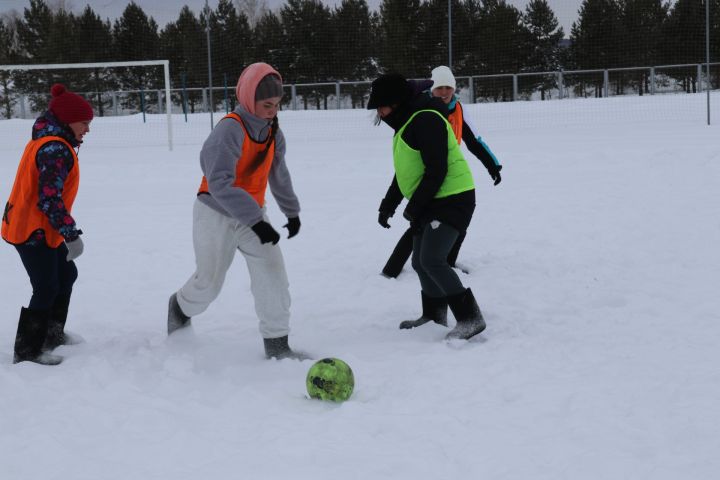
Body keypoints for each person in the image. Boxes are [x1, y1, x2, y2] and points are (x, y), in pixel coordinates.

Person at [167, 62, 307, 360]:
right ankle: (179, 307)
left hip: (252, 215)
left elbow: (278, 174)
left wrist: (291, 212)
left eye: (277, 105)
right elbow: (219, 183)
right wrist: (257, 221)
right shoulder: (230, 129)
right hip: (214, 213)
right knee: (209, 283)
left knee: (273, 273)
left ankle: (277, 345)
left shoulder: (272, 132)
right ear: (247, 98)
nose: (273, 111)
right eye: (267, 104)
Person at [368, 73, 486, 340]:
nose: (380, 112)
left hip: (453, 198)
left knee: (433, 259)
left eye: (382, 105)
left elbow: (438, 169)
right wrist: (388, 206)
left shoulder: (425, 119)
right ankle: (434, 315)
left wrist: (415, 207)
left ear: (396, 102)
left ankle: (470, 318)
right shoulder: (407, 123)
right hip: (433, 198)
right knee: (421, 262)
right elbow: (405, 172)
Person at [381, 65, 502, 278]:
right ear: (432, 89)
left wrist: (492, 166)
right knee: (419, 224)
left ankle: (445, 263)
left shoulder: (458, 110)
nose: (445, 92)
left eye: (449, 87)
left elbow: (474, 141)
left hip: (447, 173)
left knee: (453, 225)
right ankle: (392, 270)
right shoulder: (421, 109)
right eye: (440, 88)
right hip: (426, 169)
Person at [2, 84, 93, 365]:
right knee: (46, 286)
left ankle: (52, 333)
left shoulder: (52, 141)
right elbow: (49, 199)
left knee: (66, 275)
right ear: (67, 121)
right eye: (84, 123)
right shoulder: (55, 148)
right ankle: (28, 350)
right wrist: (71, 234)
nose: (87, 129)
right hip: (30, 230)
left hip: (39, 226)